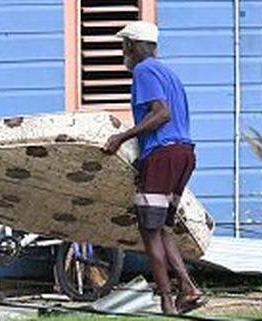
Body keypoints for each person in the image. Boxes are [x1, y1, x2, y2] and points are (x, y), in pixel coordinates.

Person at [102, 20, 203, 315]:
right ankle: (188, 289)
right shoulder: (169, 73)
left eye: (124, 46)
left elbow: (161, 114)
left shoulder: (144, 71)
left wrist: (121, 137)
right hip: (184, 154)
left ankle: (167, 302)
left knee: (149, 231)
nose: (124, 52)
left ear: (131, 46)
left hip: (161, 155)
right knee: (164, 229)